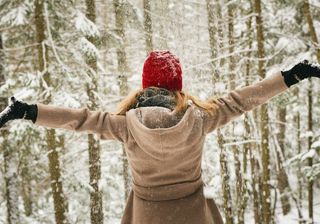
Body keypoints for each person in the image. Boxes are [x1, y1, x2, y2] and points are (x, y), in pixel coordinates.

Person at [0, 50, 320, 224]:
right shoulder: (199, 118)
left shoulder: (125, 125)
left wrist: (30, 111)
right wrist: (291, 76)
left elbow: (79, 120)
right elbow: (241, 101)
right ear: (177, 85)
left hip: (146, 216)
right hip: (194, 215)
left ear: (144, 85)